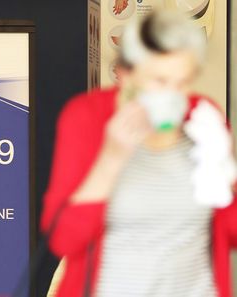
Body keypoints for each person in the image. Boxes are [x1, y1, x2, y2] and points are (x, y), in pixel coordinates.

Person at [40, 10, 237, 297]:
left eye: (182, 82)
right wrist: (111, 158)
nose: (172, 94)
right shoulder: (88, 118)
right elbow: (63, 240)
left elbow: (230, 232)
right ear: (126, 73)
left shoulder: (203, 117)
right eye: (159, 81)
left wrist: (226, 172)